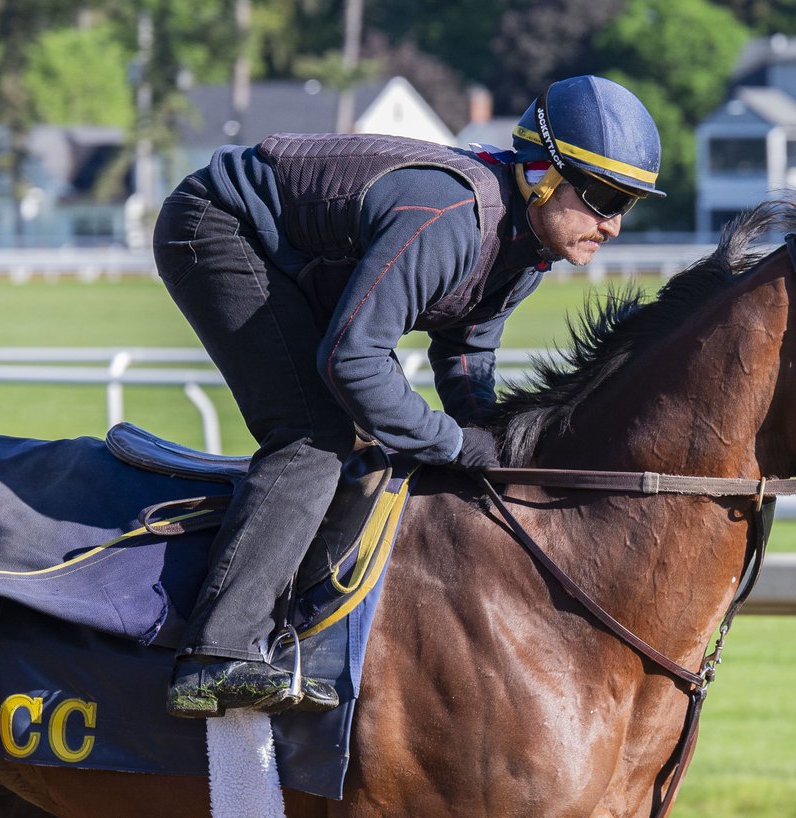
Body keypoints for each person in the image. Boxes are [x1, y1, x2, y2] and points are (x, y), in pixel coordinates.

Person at [154, 75, 664, 718]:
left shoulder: (528, 250)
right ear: (541, 174)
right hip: (217, 224)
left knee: (369, 434)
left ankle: (296, 623)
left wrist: (490, 444)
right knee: (316, 433)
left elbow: (466, 354)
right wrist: (452, 443)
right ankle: (214, 655)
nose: (613, 225)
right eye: (604, 197)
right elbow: (351, 360)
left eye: (628, 204)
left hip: (296, 258)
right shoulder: (450, 219)